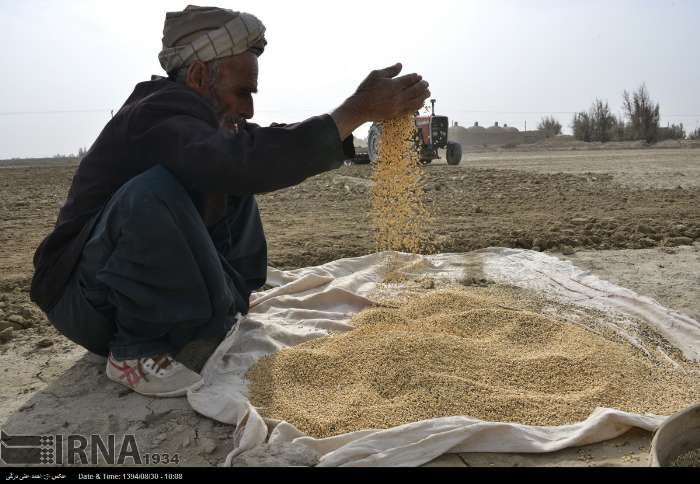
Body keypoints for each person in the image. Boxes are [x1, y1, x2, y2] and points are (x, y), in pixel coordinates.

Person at [30, 5, 431, 397]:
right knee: (155, 191)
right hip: (83, 302)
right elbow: (238, 160)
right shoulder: (154, 113)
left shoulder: (201, 124)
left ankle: (225, 309)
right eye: (241, 93)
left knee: (235, 176)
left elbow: (253, 150)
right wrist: (356, 110)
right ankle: (135, 351)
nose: (250, 108)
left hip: (117, 293)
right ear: (200, 75)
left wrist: (350, 118)